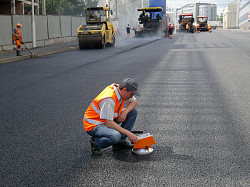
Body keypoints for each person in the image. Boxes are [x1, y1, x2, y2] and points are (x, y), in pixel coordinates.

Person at [83, 78, 140, 155]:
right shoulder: (109, 99)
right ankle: (96, 143)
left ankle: (120, 143)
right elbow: (109, 123)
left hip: (107, 119)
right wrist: (128, 133)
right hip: (94, 125)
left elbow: (135, 101)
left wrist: (125, 112)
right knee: (115, 136)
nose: (131, 97)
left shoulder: (119, 91)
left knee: (132, 112)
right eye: (131, 94)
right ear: (124, 90)